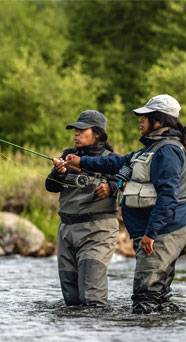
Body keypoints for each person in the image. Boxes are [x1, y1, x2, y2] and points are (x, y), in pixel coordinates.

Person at [62, 95, 186, 314]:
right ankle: (163, 330)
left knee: (145, 299)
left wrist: (151, 234)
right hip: (154, 232)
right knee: (157, 298)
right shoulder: (150, 149)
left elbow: (168, 197)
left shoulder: (168, 151)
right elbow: (115, 162)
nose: (140, 121)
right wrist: (80, 161)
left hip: (162, 233)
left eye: (145, 116)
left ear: (159, 120)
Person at [45, 110, 120, 307]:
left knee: (91, 297)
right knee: (71, 299)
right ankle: (72, 338)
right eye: (75, 131)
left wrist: (112, 187)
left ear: (97, 134)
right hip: (67, 231)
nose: (75, 134)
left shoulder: (112, 160)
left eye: (81, 130)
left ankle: (94, 335)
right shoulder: (67, 156)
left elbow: (127, 181)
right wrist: (59, 172)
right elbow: (51, 186)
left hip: (98, 230)